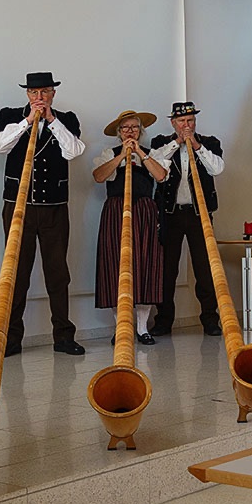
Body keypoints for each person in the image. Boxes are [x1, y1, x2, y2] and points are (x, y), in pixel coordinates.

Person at [0, 72, 86, 356]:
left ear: (53, 94)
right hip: (18, 208)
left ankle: (63, 337)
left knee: (57, 273)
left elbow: (74, 151)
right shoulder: (10, 116)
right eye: (34, 93)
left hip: (54, 208)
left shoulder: (66, 119)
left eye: (45, 92)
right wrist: (28, 121)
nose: (39, 97)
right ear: (27, 94)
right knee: (16, 272)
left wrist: (51, 121)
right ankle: (11, 338)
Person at [93, 110, 170, 345]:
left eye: (134, 128)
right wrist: (121, 157)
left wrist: (139, 153)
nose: (130, 132)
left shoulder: (151, 153)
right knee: (115, 266)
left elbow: (161, 176)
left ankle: (142, 328)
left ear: (140, 131)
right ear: (119, 132)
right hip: (116, 211)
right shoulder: (109, 154)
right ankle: (121, 327)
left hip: (144, 212)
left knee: (146, 266)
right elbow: (99, 176)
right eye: (125, 128)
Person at [149, 101, 225, 337]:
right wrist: (177, 142)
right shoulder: (161, 143)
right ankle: (163, 320)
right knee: (167, 269)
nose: (186, 125)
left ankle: (210, 319)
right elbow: (154, 163)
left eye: (190, 120)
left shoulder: (210, 143)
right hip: (170, 214)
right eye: (181, 121)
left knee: (205, 268)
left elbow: (217, 169)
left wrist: (196, 146)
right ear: (173, 123)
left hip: (199, 215)